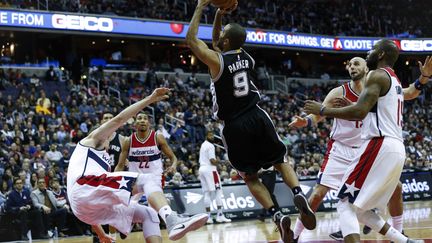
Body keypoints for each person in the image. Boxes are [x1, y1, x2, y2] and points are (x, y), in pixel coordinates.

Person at [185, 1, 316, 242]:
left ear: (225, 42)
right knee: (280, 161)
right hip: (258, 115)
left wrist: (200, 7)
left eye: (223, 34)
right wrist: (218, 15)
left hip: (234, 125)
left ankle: (276, 215)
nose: (220, 35)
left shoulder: (217, 61)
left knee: (250, 177)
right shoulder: (246, 57)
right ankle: (298, 194)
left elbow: (192, 41)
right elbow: (218, 41)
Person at [290, 56, 432, 241]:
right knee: (317, 194)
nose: (352, 67)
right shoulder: (337, 92)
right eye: (349, 64)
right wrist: (306, 120)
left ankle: (399, 231)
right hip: (341, 150)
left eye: (357, 63)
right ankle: (294, 236)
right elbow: (319, 115)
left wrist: (423, 78)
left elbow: (410, 92)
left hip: (366, 150)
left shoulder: (379, 87)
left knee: (396, 187)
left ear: (367, 68)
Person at [67, 88, 206, 243]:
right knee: (147, 180)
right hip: (85, 189)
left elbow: (88, 202)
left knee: (150, 215)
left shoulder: (100, 161)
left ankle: (163, 221)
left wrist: (100, 234)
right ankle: (171, 218)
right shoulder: (93, 140)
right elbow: (119, 119)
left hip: (86, 210)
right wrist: (149, 99)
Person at [115, 112, 207, 241]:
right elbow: (119, 165)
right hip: (135, 179)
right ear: (135, 123)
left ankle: (169, 222)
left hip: (154, 178)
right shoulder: (128, 141)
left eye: (145, 119)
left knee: (153, 213)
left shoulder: (157, 137)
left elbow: (173, 157)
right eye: (139, 118)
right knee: (132, 205)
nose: (142, 121)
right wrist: (113, 180)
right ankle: (130, 221)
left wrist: (174, 165)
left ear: (149, 123)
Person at [198, 130, 231, 224]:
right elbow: (212, 160)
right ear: (206, 136)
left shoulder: (203, 145)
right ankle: (219, 216)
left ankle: (208, 217)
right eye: (210, 135)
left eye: (213, 135)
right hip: (210, 169)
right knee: (218, 191)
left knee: (207, 193)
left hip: (202, 169)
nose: (212, 137)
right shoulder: (211, 145)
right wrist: (223, 162)